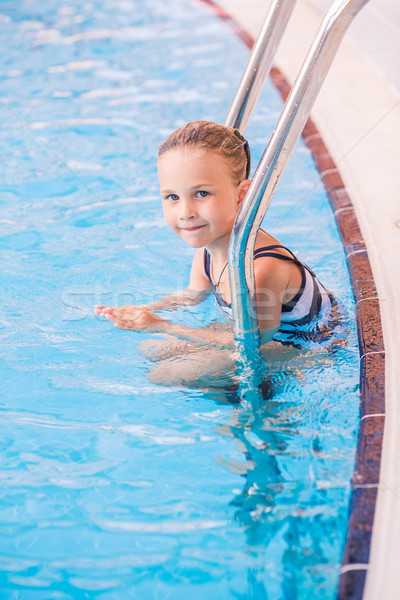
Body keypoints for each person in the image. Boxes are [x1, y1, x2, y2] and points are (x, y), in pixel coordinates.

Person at [95, 121, 333, 386]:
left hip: (311, 348)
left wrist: (164, 325)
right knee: (153, 349)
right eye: (172, 197)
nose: (186, 212)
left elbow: (249, 342)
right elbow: (193, 294)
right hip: (258, 335)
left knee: (167, 374)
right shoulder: (207, 252)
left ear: (241, 194)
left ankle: (257, 407)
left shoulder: (260, 270)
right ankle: (224, 391)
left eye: (201, 193)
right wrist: (146, 310)